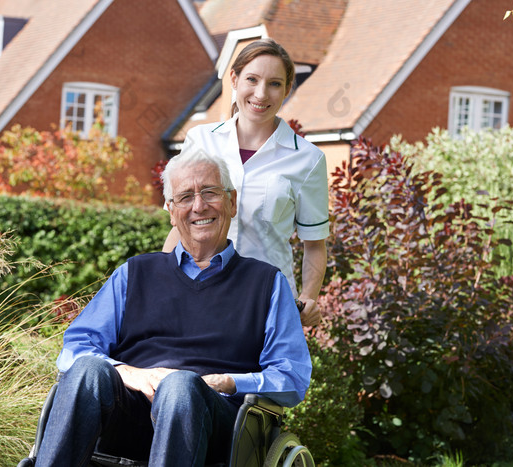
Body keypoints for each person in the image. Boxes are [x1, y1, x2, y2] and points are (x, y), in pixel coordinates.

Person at [34, 148, 311, 467]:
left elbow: (292, 376)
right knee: (87, 370)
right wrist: (131, 374)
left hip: (213, 425)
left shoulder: (266, 283)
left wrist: (228, 381)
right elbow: (75, 348)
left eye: (210, 192)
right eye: (185, 197)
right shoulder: (135, 273)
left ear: (232, 202)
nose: (198, 206)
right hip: (131, 415)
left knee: (180, 385)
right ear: (170, 210)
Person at [163, 38, 329, 327]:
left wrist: (308, 298)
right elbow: (181, 225)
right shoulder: (200, 141)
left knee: (253, 374)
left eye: (275, 84)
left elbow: (314, 244)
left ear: (287, 90)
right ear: (234, 79)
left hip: (266, 304)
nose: (261, 93)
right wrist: (160, 284)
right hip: (195, 293)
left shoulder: (308, 159)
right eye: (252, 79)